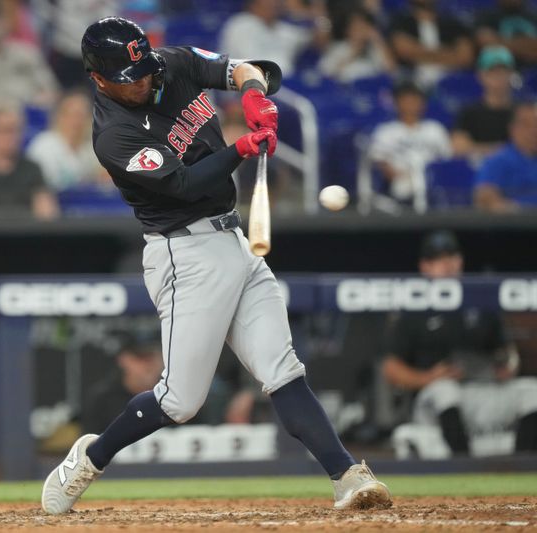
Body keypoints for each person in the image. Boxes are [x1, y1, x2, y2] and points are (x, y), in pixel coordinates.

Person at [41, 16, 391, 515]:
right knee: (179, 401)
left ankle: (347, 476)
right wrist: (243, 147)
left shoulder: (171, 64)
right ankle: (91, 455)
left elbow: (247, 68)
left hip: (235, 239)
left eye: (143, 71)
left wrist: (254, 96)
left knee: (283, 370)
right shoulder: (113, 136)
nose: (142, 82)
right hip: (184, 254)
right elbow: (183, 185)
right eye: (128, 78)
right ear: (99, 79)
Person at [382, 230, 537, 456]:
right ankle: (462, 466)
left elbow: (507, 353)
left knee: (532, 391)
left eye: (451, 257)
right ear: (425, 266)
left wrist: (506, 367)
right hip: (435, 398)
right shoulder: (413, 309)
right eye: (438, 259)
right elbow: (391, 368)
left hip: (482, 390)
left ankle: (523, 468)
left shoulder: (480, 300)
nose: (446, 264)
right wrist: (429, 377)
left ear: (460, 260)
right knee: (445, 390)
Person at [368, 81, 452, 204]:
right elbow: (379, 161)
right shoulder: (386, 131)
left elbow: (446, 158)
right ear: (397, 103)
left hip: (433, 181)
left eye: (416, 99)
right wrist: (398, 175)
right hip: (401, 182)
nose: (411, 104)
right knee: (403, 187)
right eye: (407, 99)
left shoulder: (435, 129)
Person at [219, 0, 328, 76]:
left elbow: (320, 39)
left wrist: (313, 11)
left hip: (284, 87)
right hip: (249, 85)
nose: (275, 2)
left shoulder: (286, 30)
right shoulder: (240, 23)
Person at [26, 91, 108, 191]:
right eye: (73, 115)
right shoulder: (44, 145)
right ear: (60, 117)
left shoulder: (89, 149)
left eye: (82, 116)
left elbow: (104, 176)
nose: (77, 122)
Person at [82, 338, 164, 435]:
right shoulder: (104, 400)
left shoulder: (174, 395)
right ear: (123, 360)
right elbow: (91, 444)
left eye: (153, 357)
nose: (149, 365)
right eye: (141, 358)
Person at [451, 46, 517, 164]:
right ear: (481, 75)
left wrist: (479, 148)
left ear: (511, 74)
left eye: (503, 71)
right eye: (492, 72)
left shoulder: (522, 111)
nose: (498, 77)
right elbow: (459, 147)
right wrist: (506, 151)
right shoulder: (469, 112)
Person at [388, 0, 474, 88]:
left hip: (452, 82)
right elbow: (404, 51)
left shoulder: (453, 24)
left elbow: (465, 58)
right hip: (413, 83)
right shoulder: (400, 22)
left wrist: (419, 54)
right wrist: (451, 55)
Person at [474, 102, 537, 211]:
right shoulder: (498, 160)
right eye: (526, 125)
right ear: (512, 129)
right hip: (516, 224)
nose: (533, 131)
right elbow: (484, 197)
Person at [317, 8, 396, 83]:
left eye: (362, 27)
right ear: (348, 30)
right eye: (356, 27)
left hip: (370, 90)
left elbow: (391, 71)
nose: (359, 31)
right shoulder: (338, 48)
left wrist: (378, 40)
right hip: (345, 91)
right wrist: (353, 54)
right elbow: (326, 75)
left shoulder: (374, 48)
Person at [475, 0, 537, 67]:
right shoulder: (487, 17)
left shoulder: (534, 16)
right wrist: (529, 46)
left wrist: (501, 43)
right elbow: (486, 42)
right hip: (499, 70)